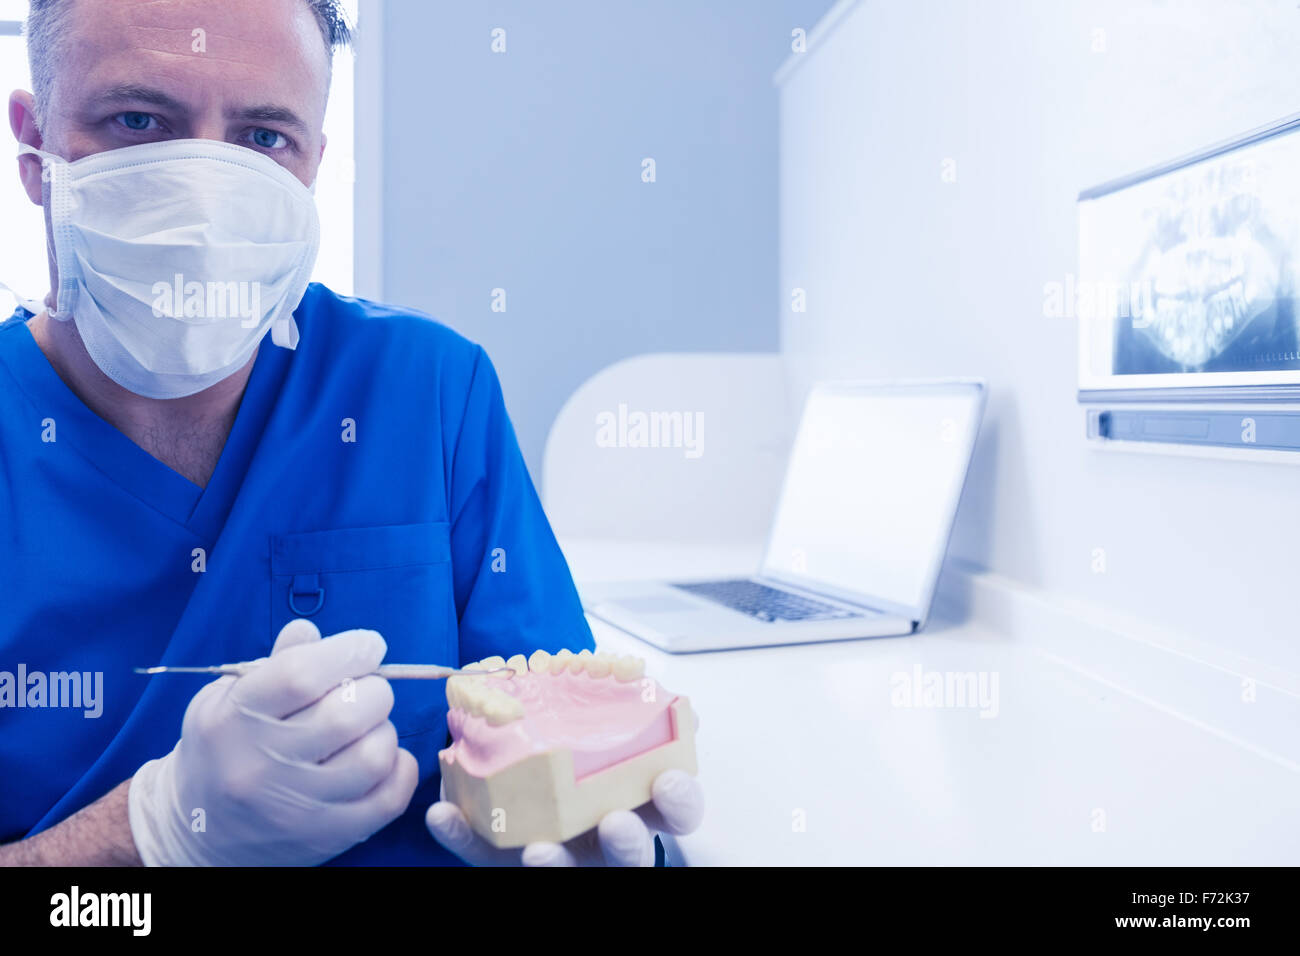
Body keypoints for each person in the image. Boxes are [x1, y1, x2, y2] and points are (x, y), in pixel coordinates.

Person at [0, 0, 703, 867]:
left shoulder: (429, 391)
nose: (206, 194)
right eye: (139, 121)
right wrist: (149, 835)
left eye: (263, 138)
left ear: (313, 165)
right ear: (34, 147)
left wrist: (585, 832)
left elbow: (560, 746)